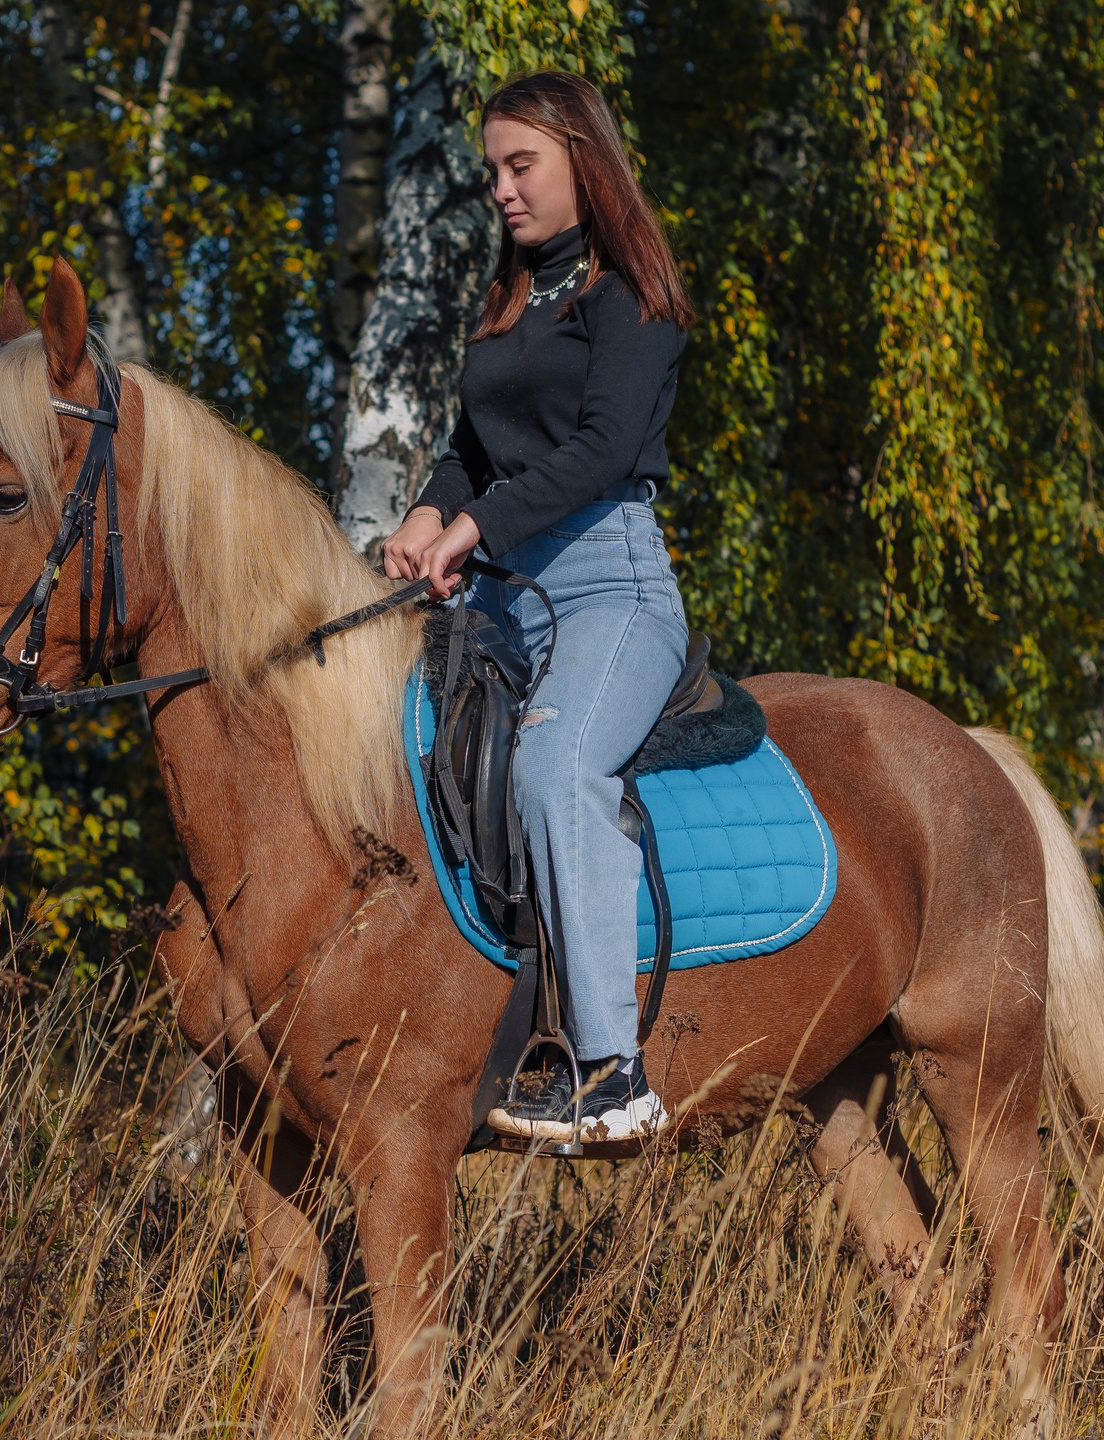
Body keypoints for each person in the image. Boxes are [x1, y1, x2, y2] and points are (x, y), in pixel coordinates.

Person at [381, 71, 695, 1144]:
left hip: (612, 586)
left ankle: (613, 1073)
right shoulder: (514, 300)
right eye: (493, 171)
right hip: (506, 601)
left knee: (557, 770)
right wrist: (429, 510)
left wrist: (476, 528)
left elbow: (601, 448)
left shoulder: (631, 300)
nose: (502, 191)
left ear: (583, 162)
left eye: (522, 167)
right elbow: (474, 449)